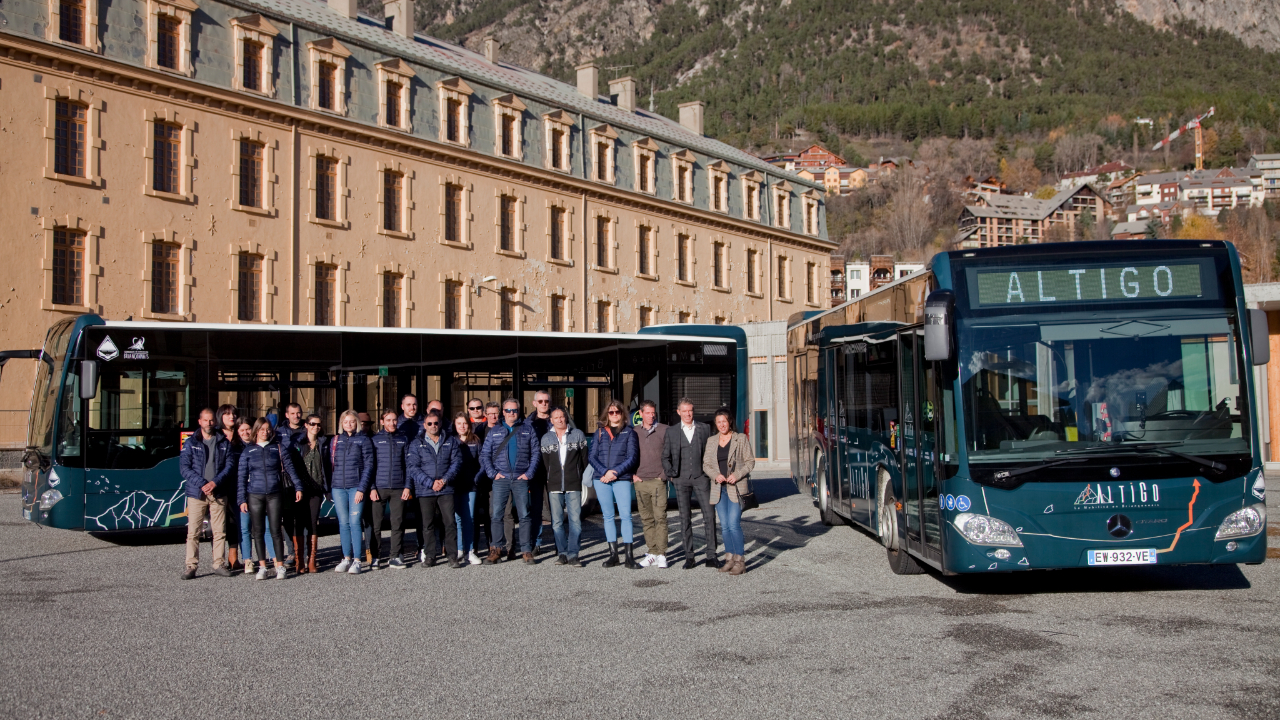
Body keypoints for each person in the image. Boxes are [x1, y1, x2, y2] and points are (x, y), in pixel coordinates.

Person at [237, 418, 301, 580]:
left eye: (268, 429)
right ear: (256, 431)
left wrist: (298, 486)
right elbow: (242, 477)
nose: (265, 432)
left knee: (275, 531)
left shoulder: (278, 448)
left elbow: (290, 469)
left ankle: (280, 566)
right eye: (262, 429)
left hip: (274, 493)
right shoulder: (248, 451)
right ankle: (263, 567)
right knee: (257, 532)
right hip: (255, 495)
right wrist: (241, 499)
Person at [479, 398, 540, 564]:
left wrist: (529, 473)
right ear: (503, 412)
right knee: (497, 515)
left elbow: (536, 453)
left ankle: (526, 550)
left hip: (521, 478)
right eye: (508, 410)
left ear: (518, 411)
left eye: (514, 410)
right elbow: (485, 455)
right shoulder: (495, 431)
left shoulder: (527, 429)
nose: (511, 413)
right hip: (501, 479)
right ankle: (496, 549)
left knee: (525, 515)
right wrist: (493, 473)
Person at [178, 408, 235, 579]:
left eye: (211, 421)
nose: (209, 423)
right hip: (197, 493)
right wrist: (203, 483)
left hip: (218, 491)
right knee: (193, 531)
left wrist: (215, 482)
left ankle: (219, 563)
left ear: (215, 422)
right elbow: (184, 468)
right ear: (200, 421)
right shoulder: (190, 443)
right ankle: (191, 566)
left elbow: (229, 466)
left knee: (219, 531)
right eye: (205, 420)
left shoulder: (224, 443)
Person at [662, 398, 717, 569]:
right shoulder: (671, 431)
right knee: (685, 518)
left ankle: (711, 555)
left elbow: (711, 453)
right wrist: (672, 475)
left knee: (709, 516)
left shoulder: (704, 428)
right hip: (681, 479)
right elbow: (665, 456)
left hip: (701, 478)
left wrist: (709, 473)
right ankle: (689, 557)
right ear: (678, 412)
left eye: (690, 410)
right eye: (685, 411)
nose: (688, 414)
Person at [358, 410, 413, 569]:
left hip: (399, 488)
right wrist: (372, 488)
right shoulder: (374, 440)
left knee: (398, 523)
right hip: (379, 488)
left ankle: (395, 556)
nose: (392, 423)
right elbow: (370, 466)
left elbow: (408, 465)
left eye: (394, 420)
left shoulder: (404, 439)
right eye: (388, 420)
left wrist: (408, 486)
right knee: (376, 525)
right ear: (382, 422)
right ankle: (375, 556)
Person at [407, 411, 462, 568]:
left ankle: (452, 556)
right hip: (426, 490)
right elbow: (413, 467)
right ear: (424, 425)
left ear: (440, 424)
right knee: (428, 524)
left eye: (436, 423)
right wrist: (430, 483)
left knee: (450, 523)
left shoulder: (450, 441)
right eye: (429, 423)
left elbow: (456, 462)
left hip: (446, 488)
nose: (433, 426)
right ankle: (430, 555)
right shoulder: (416, 443)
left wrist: (444, 480)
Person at [703, 409, 755, 576]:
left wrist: (737, 475)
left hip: (735, 488)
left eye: (724, 421)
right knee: (724, 527)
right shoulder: (711, 441)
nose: (722, 425)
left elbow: (750, 462)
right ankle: (729, 559)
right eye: (718, 422)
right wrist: (715, 475)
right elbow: (706, 465)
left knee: (733, 524)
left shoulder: (740, 439)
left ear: (730, 421)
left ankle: (740, 561)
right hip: (719, 489)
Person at [588, 400, 639, 568]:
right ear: (607, 415)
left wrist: (614, 472)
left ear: (622, 414)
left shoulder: (629, 433)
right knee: (608, 517)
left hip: (621, 478)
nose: (614, 415)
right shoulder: (600, 433)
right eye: (611, 412)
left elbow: (632, 457)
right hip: (602, 479)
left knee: (626, 516)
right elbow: (592, 456)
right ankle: (613, 554)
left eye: (617, 412)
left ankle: (629, 557)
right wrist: (605, 472)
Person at [327, 409, 374, 574]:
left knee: (355, 523)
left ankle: (357, 560)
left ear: (357, 423)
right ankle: (346, 558)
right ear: (341, 424)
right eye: (346, 422)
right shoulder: (336, 441)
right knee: (343, 523)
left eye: (352, 421)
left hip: (356, 487)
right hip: (338, 487)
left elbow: (369, 465)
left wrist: (362, 488)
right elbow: (330, 465)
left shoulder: (364, 440)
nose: (349, 424)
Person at [540, 406, 588, 566]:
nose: (560, 419)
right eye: (556, 417)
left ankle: (573, 554)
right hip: (554, 484)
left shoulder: (578, 434)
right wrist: (550, 477)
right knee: (557, 522)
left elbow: (584, 459)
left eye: (562, 416)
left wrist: (577, 475)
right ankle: (562, 553)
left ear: (566, 417)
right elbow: (545, 464)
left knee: (575, 521)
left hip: (573, 482)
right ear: (551, 420)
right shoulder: (546, 438)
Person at [232, 419, 276, 575]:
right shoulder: (236, 448)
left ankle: (274, 557)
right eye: (242, 430)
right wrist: (241, 498)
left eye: (248, 429)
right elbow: (240, 477)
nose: (245, 432)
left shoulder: (263, 446)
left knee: (267, 527)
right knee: (245, 528)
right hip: (245, 492)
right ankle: (248, 560)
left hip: (261, 491)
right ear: (237, 432)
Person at [633, 400, 670, 569]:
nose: (651, 415)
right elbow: (630, 455)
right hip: (640, 481)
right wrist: (633, 475)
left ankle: (662, 554)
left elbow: (671, 454)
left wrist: (663, 476)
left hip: (657, 481)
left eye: (653, 412)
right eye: (647, 412)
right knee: (646, 519)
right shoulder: (635, 432)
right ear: (640, 414)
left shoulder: (664, 430)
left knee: (660, 517)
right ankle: (652, 552)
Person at [292, 413, 328, 574]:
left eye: (318, 425)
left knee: (313, 522)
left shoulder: (323, 443)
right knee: (299, 522)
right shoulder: (297, 443)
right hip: (300, 488)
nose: (316, 427)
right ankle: (299, 559)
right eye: (312, 424)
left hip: (316, 488)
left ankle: (312, 559)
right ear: (306, 425)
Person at [452, 412, 484, 565]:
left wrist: (476, 478)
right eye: (459, 424)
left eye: (464, 423)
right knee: (457, 518)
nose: (462, 426)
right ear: (455, 425)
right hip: (455, 486)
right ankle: (459, 550)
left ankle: (470, 551)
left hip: (471, 485)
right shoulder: (451, 441)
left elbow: (482, 462)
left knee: (469, 518)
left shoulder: (476, 441)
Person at [277, 402, 305, 569]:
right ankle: (291, 551)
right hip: (287, 482)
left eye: (298, 413)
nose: (296, 416)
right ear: (287, 415)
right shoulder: (279, 433)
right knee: (287, 518)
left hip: (306, 479)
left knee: (304, 518)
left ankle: (303, 551)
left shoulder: (308, 429)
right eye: (293, 413)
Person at [215, 404, 242, 570]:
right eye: (227, 414)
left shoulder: (241, 435)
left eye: (233, 414)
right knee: (218, 523)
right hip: (219, 484)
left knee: (234, 521)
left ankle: (234, 556)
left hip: (237, 484)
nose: (231, 417)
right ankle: (218, 559)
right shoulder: (216, 436)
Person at [526, 390, 553, 554]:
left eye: (546, 401)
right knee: (535, 509)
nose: (544, 404)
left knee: (556, 509)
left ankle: (560, 544)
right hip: (535, 471)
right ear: (534, 403)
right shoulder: (527, 424)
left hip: (553, 471)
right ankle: (536, 543)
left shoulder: (557, 420)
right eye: (541, 401)